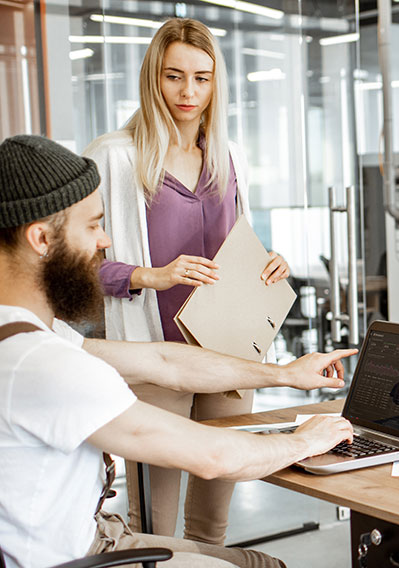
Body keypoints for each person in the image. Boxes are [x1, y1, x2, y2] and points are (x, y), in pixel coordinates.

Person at [0, 134, 355, 568]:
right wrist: (304, 442)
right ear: (41, 238)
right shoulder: (44, 365)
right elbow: (213, 456)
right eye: (93, 225)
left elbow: (163, 361)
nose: (105, 241)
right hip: (79, 559)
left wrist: (284, 374)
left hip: (90, 538)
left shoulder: (29, 337)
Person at [83, 18, 287, 543]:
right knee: (154, 524)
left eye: (202, 77)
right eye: (175, 76)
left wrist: (269, 262)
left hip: (229, 354)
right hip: (156, 361)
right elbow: (77, 265)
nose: (189, 91)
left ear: (217, 82)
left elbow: (237, 243)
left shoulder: (229, 155)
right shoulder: (115, 157)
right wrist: (149, 275)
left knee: (213, 523)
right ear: (154, 78)